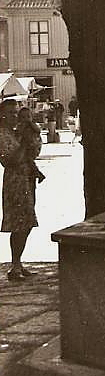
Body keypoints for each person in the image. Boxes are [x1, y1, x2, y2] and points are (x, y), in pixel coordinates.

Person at [0, 100, 40, 281]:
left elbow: (33, 152)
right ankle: (15, 264)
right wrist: (24, 143)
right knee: (19, 223)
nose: (15, 117)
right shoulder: (3, 135)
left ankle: (18, 262)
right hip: (15, 181)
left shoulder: (16, 133)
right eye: (11, 113)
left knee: (28, 222)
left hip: (27, 179)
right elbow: (10, 160)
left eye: (17, 113)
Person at [15, 107, 45, 184]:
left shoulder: (33, 125)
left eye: (28, 117)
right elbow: (18, 134)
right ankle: (37, 173)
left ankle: (37, 173)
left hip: (32, 146)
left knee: (29, 159)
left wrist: (31, 124)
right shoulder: (20, 126)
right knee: (29, 160)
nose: (26, 119)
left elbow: (38, 131)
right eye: (23, 117)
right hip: (24, 147)